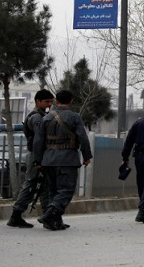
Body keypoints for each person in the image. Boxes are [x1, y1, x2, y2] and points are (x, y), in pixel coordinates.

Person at [33, 89, 92, 231]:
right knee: (66, 190)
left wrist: (38, 160)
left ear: (56, 101)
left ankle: (56, 222)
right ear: (71, 101)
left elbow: (38, 141)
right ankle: (49, 214)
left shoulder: (46, 118)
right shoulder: (74, 117)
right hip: (67, 159)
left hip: (48, 160)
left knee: (53, 191)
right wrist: (86, 156)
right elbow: (83, 138)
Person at [6, 89, 54, 228]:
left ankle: (47, 217)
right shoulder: (36, 117)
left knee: (44, 185)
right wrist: (38, 160)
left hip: (40, 155)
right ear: (38, 101)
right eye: (46, 101)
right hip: (36, 155)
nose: (49, 104)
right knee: (31, 184)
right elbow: (38, 140)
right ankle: (16, 216)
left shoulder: (42, 115)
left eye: (51, 102)